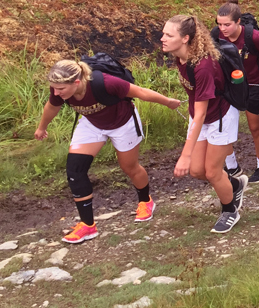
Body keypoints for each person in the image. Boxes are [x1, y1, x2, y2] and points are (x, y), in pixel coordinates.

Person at [35, 60, 181, 243]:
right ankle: (88, 225)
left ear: (77, 83)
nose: (56, 93)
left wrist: (168, 102)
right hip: (92, 124)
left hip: (122, 123)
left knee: (130, 168)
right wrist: (42, 128)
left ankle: (145, 201)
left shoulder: (104, 82)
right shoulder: (59, 89)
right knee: (75, 170)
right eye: (54, 88)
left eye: (60, 89)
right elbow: (52, 106)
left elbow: (141, 92)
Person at [162, 15, 248, 234]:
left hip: (220, 117)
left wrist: (185, 154)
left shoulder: (203, 66)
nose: (162, 38)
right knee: (197, 170)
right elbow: (196, 105)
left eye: (168, 35)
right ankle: (235, 185)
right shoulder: (179, 58)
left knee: (211, 172)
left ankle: (230, 211)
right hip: (201, 115)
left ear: (185, 39)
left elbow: (200, 114)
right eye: (164, 33)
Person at [214, 0, 259, 183]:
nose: (223, 29)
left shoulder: (254, 36)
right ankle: (232, 166)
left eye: (227, 24)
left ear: (238, 22)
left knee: (255, 128)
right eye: (219, 24)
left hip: (256, 83)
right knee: (225, 127)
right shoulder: (216, 35)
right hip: (230, 86)